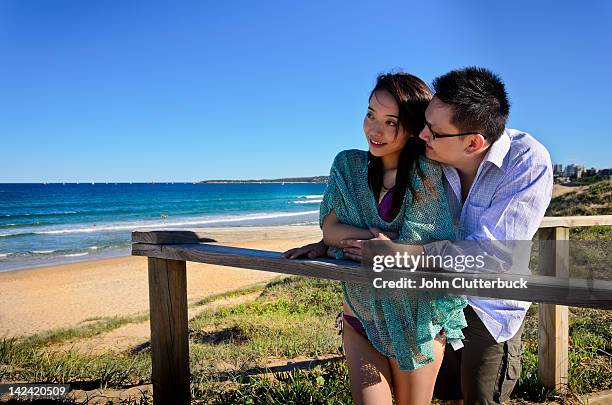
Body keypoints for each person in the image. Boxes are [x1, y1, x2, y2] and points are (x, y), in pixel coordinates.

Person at [286, 67, 553, 405]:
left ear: (472, 143)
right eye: (424, 123)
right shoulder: (433, 155)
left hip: (486, 305)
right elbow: (372, 214)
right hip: (431, 300)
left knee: (480, 396)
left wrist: (399, 254)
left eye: (432, 130)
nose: (423, 134)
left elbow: (494, 255)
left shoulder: (524, 161)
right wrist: (331, 241)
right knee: (445, 394)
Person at [284, 72, 467, 405]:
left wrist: (379, 247)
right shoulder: (347, 166)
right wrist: (375, 243)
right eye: (370, 114)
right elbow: (331, 230)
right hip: (359, 316)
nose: (374, 129)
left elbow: (422, 247)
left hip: (416, 321)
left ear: (412, 126)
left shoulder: (425, 173)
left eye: (390, 122)